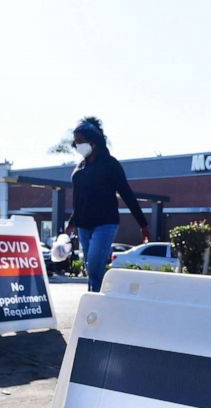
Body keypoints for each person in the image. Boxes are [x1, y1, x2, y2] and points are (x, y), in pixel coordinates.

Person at [66, 117, 151, 292]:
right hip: (83, 225)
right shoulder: (79, 168)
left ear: (93, 141)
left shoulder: (110, 165)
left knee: (95, 264)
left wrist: (143, 224)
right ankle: (96, 297)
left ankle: (96, 300)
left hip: (105, 223)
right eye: (76, 142)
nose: (78, 145)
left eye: (81, 141)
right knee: (91, 266)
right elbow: (79, 200)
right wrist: (71, 223)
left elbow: (127, 194)